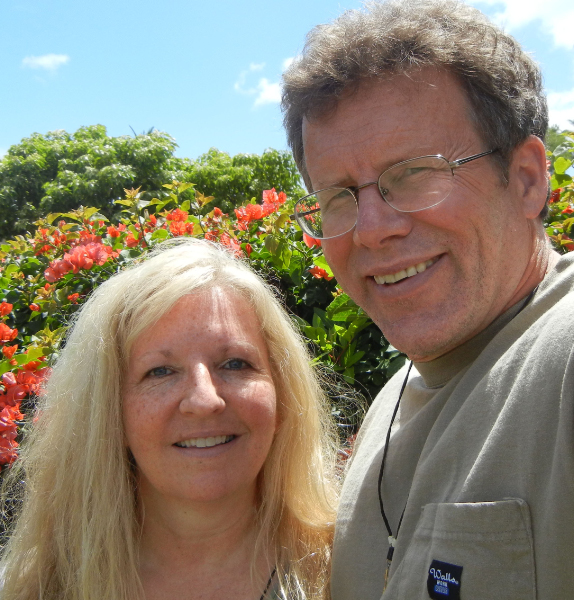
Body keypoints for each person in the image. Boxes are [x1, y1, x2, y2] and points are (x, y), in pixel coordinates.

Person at [282, 0, 574, 598]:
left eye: (414, 173)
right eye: (338, 195)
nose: (370, 229)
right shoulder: (391, 402)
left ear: (525, 179)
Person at [0, 239, 338, 600]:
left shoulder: (361, 568)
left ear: (284, 394)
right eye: (160, 371)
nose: (204, 400)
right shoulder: (34, 587)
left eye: (236, 363)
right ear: (110, 414)